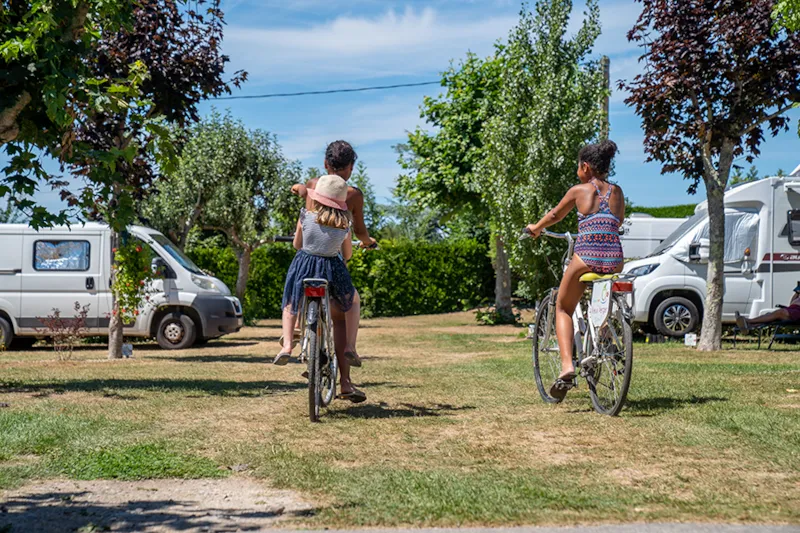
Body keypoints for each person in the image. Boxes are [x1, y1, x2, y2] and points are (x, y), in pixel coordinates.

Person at [525, 140, 624, 401]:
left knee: (563, 306)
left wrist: (536, 227)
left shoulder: (579, 190)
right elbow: (618, 221)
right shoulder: (618, 192)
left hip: (587, 257)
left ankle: (567, 366)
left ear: (585, 166)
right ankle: (603, 335)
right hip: (615, 258)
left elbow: (556, 215)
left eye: (578, 167)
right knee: (600, 296)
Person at [274, 174, 366, 403]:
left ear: (317, 198)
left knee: (291, 300)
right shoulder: (344, 224)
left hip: (304, 266)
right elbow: (347, 255)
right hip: (331, 270)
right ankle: (351, 347)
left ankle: (286, 345)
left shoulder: (305, 216)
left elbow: (297, 244)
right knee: (352, 300)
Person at [290, 141, 376, 369]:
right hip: (333, 260)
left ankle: (302, 343)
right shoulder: (353, 194)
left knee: (298, 289)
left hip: (307, 260)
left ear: (326, 163)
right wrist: (368, 242)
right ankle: (346, 378)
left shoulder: (312, 185)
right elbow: (359, 231)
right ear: (351, 167)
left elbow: (305, 218)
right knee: (344, 312)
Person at [736, 284, 800, 332]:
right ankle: (749, 326)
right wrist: (797, 292)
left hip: (797, 312)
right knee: (769, 315)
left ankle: (748, 321)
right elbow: (791, 304)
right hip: (792, 309)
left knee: (780, 312)